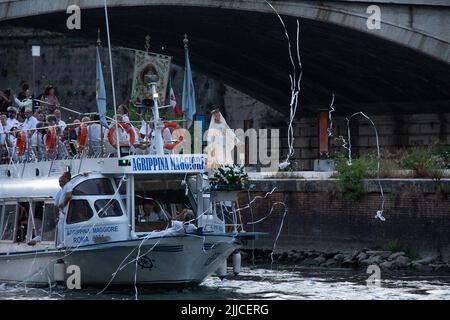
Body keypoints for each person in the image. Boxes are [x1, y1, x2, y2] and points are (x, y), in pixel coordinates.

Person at [53, 172, 73, 248]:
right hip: (62, 212)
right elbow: (55, 205)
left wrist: (63, 204)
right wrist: (56, 216)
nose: (61, 178)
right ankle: (61, 243)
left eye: (62, 177)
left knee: (62, 227)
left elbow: (69, 196)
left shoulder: (69, 185)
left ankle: (64, 243)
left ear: (66, 178)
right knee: (60, 227)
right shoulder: (62, 189)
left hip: (65, 212)